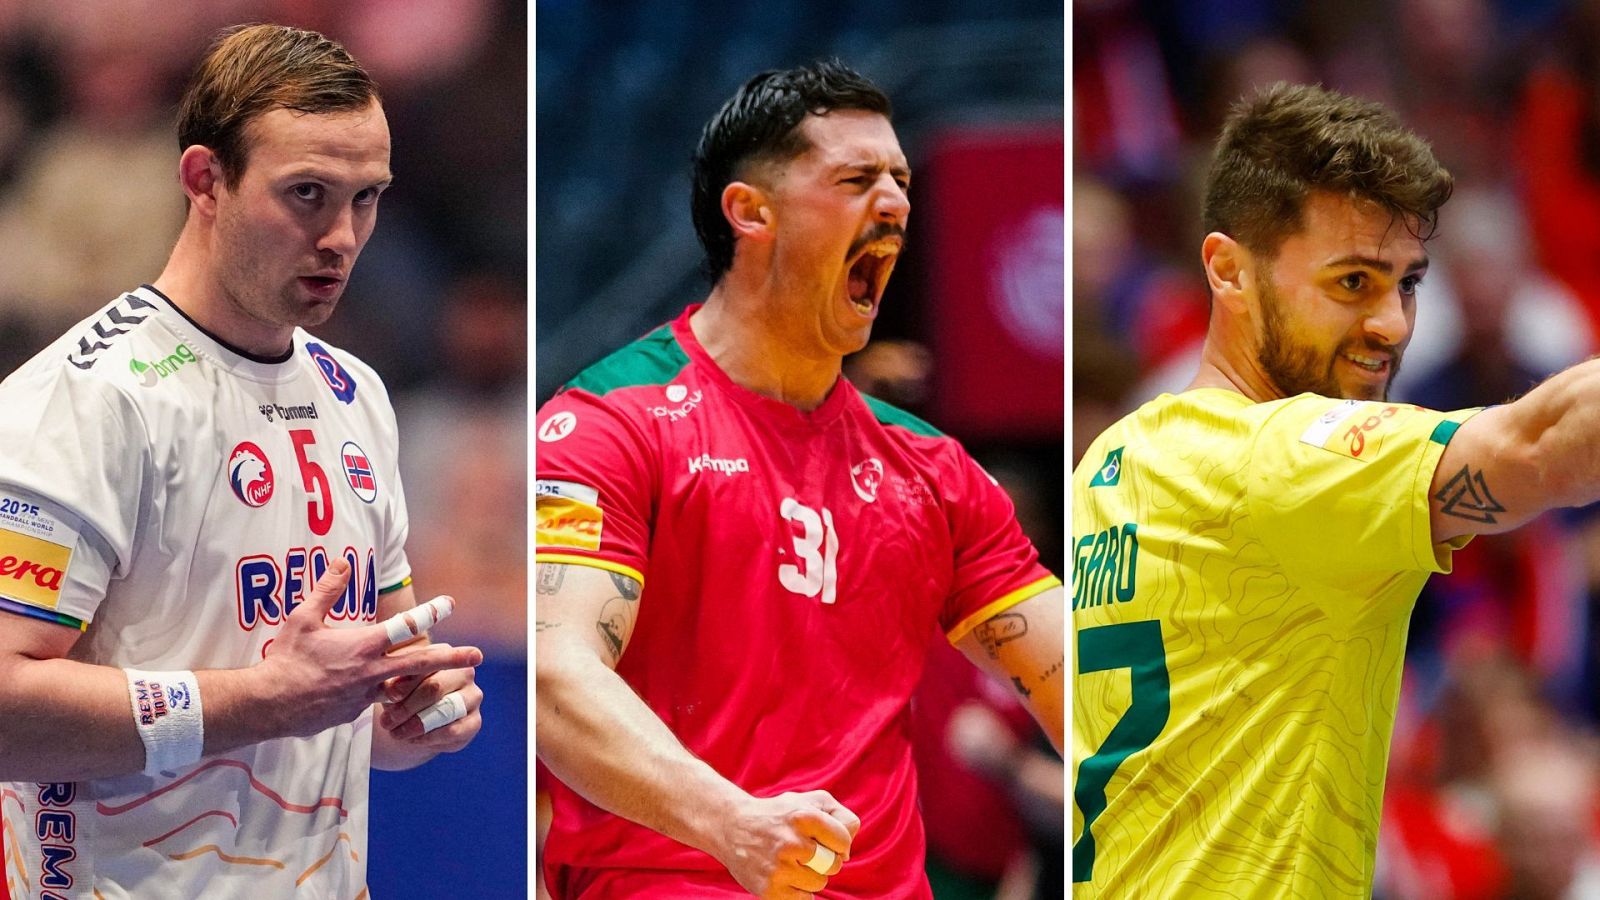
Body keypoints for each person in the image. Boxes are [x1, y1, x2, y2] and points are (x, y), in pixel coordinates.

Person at [535, 60, 1064, 899]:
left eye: (900, 180)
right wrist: (733, 824)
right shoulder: (609, 422)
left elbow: (1086, 688)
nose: (893, 203)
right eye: (856, 180)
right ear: (751, 213)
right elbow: (552, 677)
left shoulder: (931, 469)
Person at [1069, 79, 1600, 896]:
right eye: (1353, 282)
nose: (1392, 323)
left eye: (1408, 283)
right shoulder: (1286, 460)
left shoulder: (1115, 458)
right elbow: (1541, 444)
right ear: (1229, 270)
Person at [0, 25, 483, 899]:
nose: (341, 235)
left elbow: (359, 699)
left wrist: (408, 715)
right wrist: (266, 700)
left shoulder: (356, 392)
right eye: (307, 194)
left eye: (367, 198)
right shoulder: (86, 399)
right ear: (204, 181)